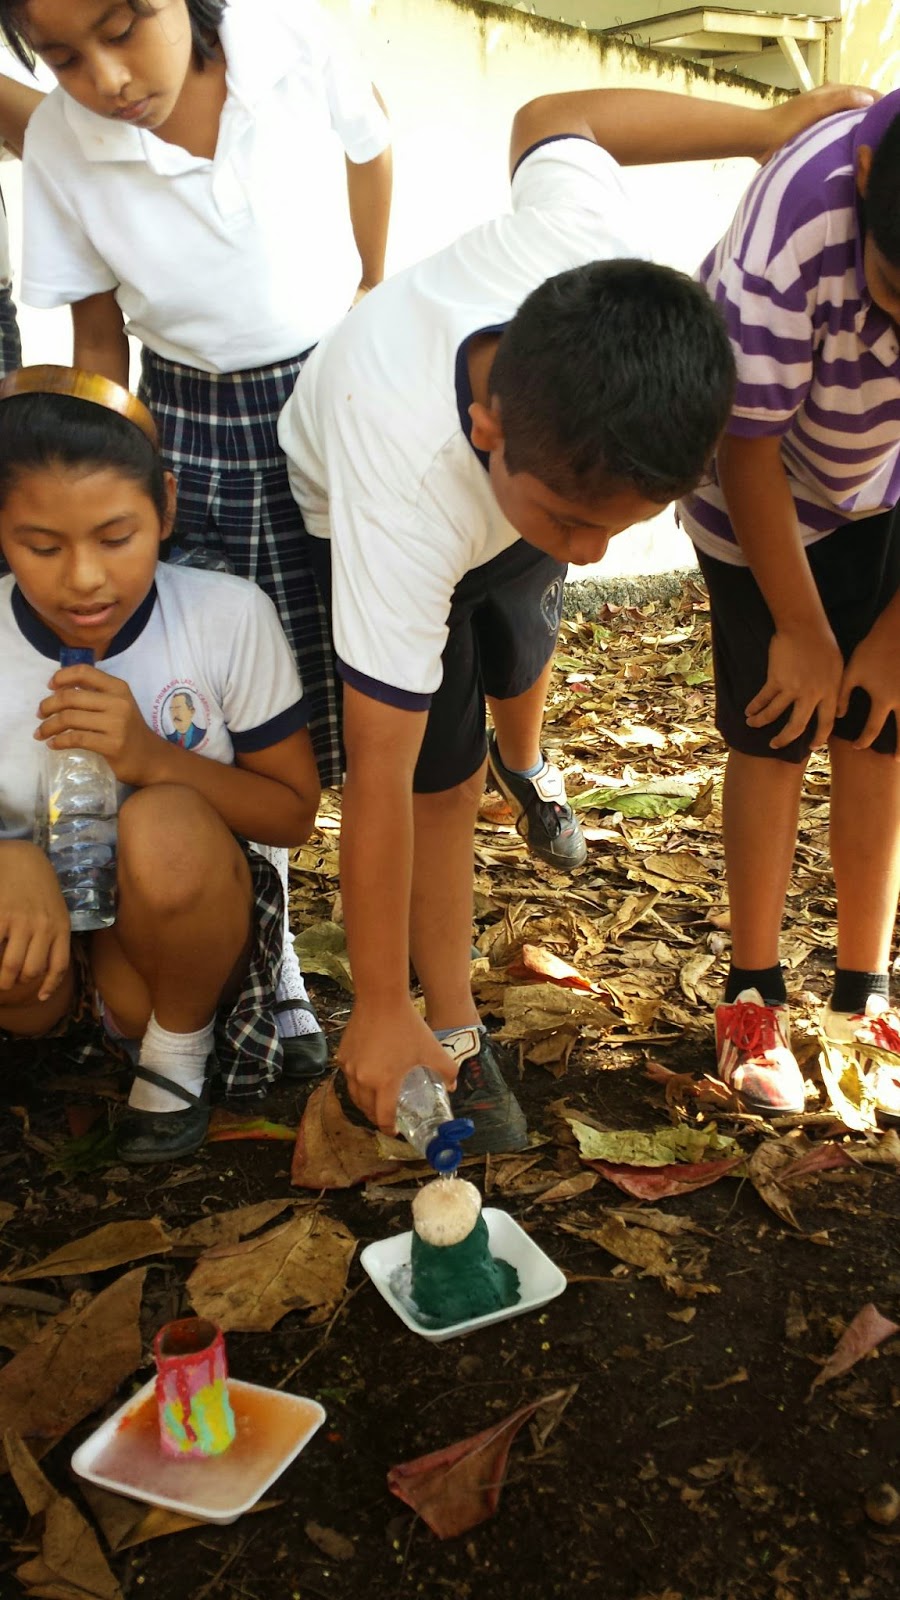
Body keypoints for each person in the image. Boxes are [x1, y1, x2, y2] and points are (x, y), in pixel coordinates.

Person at [278, 81, 869, 1148]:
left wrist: (762, 128)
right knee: (439, 777)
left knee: (521, 651)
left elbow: (553, 119)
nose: (591, 555)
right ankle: (450, 1021)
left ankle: (524, 755)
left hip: (506, 494)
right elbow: (376, 774)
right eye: (573, 525)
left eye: (619, 532)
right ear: (487, 420)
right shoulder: (400, 491)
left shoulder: (586, 258)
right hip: (364, 493)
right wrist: (376, 1003)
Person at [1, 0, 393, 1076]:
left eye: (126, 29)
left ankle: (352, 953)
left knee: (336, 685)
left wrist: (366, 289)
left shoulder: (291, 41)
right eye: (65, 58)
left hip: (333, 391)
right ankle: (280, 974)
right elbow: (93, 331)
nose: (108, 76)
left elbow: (372, 150)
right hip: (190, 421)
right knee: (222, 694)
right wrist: (104, 489)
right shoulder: (60, 143)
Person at [0, 365, 321, 1164]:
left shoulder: (225, 615)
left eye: (116, 538)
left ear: (166, 507)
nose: (83, 578)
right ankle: (54, 1032)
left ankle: (176, 1052)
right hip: (37, 943)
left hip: (173, 943)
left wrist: (148, 756)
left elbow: (292, 814)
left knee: (163, 819)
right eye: (40, 546)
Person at [678, 89, 900, 1122]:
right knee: (776, 729)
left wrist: (893, 635)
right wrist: (804, 627)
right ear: (865, 189)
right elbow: (747, 445)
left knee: (878, 728)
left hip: (883, 495)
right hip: (757, 500)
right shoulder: (789, 235)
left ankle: (865, 997)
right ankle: (754, 990)